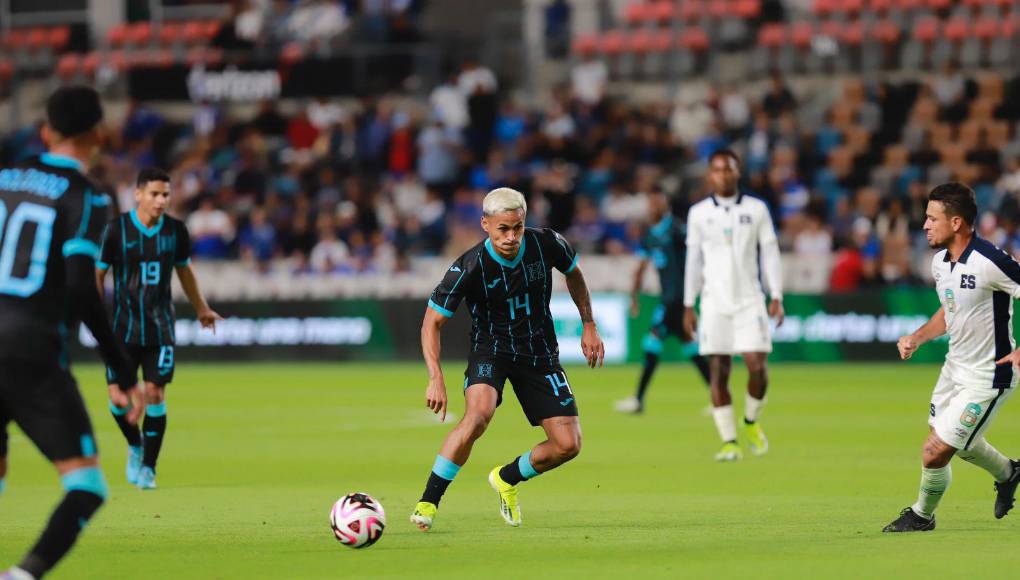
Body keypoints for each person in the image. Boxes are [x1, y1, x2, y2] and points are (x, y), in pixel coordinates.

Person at [0, 86, 141, 580]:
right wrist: (121, 364)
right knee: (86, 485)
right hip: (29, 348)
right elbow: (83, 289)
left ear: (46, 131)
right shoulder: (88, 196)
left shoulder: (2, 180)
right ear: (98, 134)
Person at [410, 187, 604, 531]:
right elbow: (431, 322)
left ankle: (506, 477)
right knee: (478, 415)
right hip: (492, 350)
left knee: (568, 445)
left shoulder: (547, 243)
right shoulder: (469, 266)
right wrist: (435, 377)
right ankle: (428, 502)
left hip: (539, 351)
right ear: (485, 224)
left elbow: (574, 273)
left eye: (517, 227)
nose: (511, 236)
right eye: (503, 229)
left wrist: (588, 322)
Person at [884, 182, 1020, 533]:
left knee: (935, 451)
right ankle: (1009, 472)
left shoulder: (991, 261)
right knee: (955, 445)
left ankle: (921, 515)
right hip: (953, 370)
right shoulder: (940, 264)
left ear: (956, 222)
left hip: (989, 376)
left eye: (932, 218)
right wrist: (917, 337)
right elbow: (949, 311)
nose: (925, 225)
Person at [97, 168, 222, 490]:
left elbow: (184, 272)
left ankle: (149, 466)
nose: (161, 200)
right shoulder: (116, 230)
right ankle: (135, 445)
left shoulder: (176, 232)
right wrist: (95, 314)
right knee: (118, 398)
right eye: (154, 193)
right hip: (122, 328)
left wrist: (201, 308)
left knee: (155, 392)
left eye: (165, 194)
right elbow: (97, 275)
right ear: (138, 194)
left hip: (160, 327)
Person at [683, 149, 784, 461]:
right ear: (709, 175)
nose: (723, 175)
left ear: (738, 172)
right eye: (717, 170)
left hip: (750, 299)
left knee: (757, 365)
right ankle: (729, 441)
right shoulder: (698, 213)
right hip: (714, 302)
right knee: (719, 369)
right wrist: (689, 303)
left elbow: (769, 252)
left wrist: (776, 293)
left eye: (728, 169)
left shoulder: (756, 209)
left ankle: (750, 420)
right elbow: (693, 259)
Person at [615, 190, 710, 414]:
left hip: (676, 299)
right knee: (690, 346)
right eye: (650, 203)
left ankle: (638, 400)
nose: (652, 207)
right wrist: (634, 296)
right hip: (668, 298)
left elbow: (698, 256)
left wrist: (703, 284)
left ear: (665, 205)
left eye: (657, 203)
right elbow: (640, 267)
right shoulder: (650, 235)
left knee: (652, 342)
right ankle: (719, 398)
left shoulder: (677, 230)